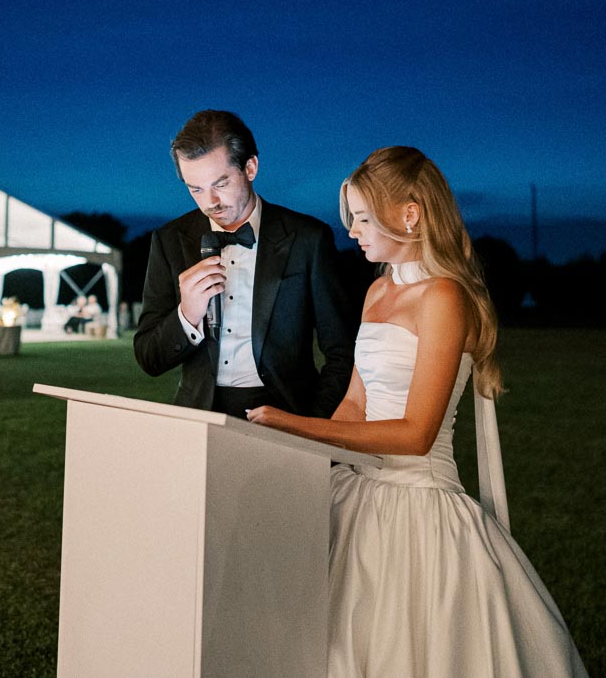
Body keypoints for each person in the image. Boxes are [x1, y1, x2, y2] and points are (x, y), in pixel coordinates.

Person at [246, 146, 588, 677]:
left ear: (408, 214)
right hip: (358, 496)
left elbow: (416, 433)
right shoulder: (377, 291)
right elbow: (356, 403)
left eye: (362, 218)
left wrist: (290, 422)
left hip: (417, 506)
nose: (353, 231)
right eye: (352, 219)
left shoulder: (445, 298)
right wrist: (302, 452)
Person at [134, 109, 355, 419]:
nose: (209, 201)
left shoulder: (308, 238)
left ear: (250, 167)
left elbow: (342, 353)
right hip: (197, 417)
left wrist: (310, 424)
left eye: (220, 184)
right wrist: (187, 315)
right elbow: (149, 357)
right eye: (195, 189)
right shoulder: (170, 241)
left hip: (286, 417)